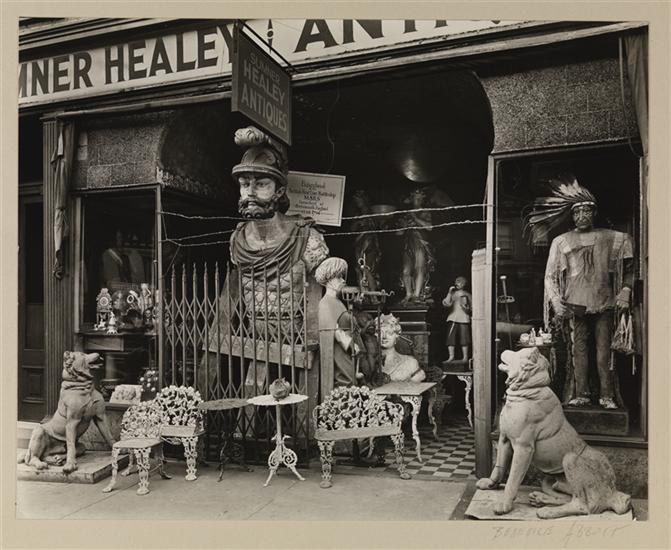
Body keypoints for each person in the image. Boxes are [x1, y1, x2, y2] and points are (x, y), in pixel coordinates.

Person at [202, 126, 329, 401]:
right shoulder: (237, 241)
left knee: (295, 404)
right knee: (254, 397)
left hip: (297, 342)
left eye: (261, 184)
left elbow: (325, 291)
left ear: (279, 190)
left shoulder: (306, 238)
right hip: (252, 339)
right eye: (244, 184)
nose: (250, 193)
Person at [527, 176, 634, 410]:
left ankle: (607, 395)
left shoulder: (614, 238)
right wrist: (556, 301)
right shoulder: (561, 241)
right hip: (575, 304)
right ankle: (581, 393)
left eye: (586, 211)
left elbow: (630, 268)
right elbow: (550, 276)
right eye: (577, 212)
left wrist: (625, 290)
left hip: (604, 301)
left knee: (604, 351)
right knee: (578, 350)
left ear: (594, 213)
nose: (581, 216)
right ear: (572, 215)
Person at [315, 257, 362, 399]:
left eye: (342, 276)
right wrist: (351, 345)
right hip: (339, 350)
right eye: (338, 277)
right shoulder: (326, 303)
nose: (342, 280)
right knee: (345, 381)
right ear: (329, 280)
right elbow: (334, 330)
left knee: (350, 382)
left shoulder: (338, 302)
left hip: (347, 351)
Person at [400, 188, 435, 304]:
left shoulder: (425, 212)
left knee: (419, 268)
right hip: (408, 244)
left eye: (420, 199)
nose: (418, 201)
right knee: (406, 271)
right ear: (412, 199)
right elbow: (399, 232)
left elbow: (430, 227)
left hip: (420, 243)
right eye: (416, 198)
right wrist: (403, 226)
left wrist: (415, 218)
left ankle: (416, 295)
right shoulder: (407, 214)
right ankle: (408, 293)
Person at [376, 314, 426, 382]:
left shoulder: (410, 363)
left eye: (389, 333)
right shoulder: (367, 364)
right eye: (380, 333)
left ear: (397, 335)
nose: (384, 337)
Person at [442, 276, 472, 362]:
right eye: (456, 282)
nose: (457, 283)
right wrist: (449, 293)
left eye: (459, 281)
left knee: (464, 338)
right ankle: (451, 356)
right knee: (450, 338)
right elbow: (446, 304)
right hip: (453, 317)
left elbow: (472, 307)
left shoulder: (467, 294)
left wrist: (467, 308)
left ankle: (465, 357)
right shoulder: (453, 294)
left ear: (464, 284)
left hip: (464, 318)